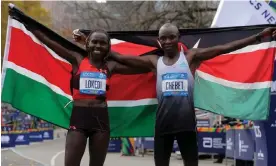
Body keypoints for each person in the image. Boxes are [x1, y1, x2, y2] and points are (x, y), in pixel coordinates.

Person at [73, 24, 276, 166]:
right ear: (159, 41)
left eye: (172, 37)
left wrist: (258, 37)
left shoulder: (191, 57)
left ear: (178, 38)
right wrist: (87, 41)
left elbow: (224, 48)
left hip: (187, 125)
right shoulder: (154, 62)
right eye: (163, 38)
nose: (168, 41)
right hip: (162, 126)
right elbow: (117, 56)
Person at [27, 25, 150, 166]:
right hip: (79, 118)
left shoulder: (110, 66)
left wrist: (114, 54)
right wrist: (27, 23)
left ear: (108, 47)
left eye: (103, 43)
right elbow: (51, 42)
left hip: (101, 120)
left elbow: (142, 66)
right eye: (94, 42)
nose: (98, 45)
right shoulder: (78, 59)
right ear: (87, 44)